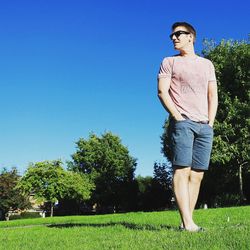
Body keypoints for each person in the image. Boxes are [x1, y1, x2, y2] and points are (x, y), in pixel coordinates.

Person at [157, 22, 218, 232]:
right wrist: (177, 116)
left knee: (197, 174)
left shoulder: (207, 64)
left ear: (191, 37)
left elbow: (213, 95)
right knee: (182, 170)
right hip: (183, 123)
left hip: (204, 126)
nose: (174, 38)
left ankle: (186, 222)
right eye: (172, 35)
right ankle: (190, 224)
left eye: (178, 34)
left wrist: (210, 123)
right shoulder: (169, 62)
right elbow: (162, 92)